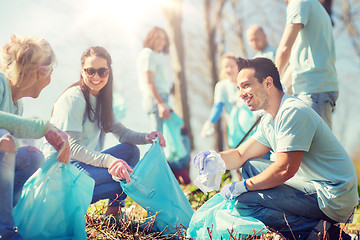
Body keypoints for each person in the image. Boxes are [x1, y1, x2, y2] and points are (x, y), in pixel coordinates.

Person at [193, 57, 358, 240]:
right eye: (238, 88)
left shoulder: (292, 111)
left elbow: (285, 169)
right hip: (312, 186)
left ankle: (325, 233)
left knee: (245, 203)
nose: (240, 94)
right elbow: (240, 154)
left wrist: (243, 186)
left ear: (268, 83)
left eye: (246, 85)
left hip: (332, 194)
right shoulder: (269, 120)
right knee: (250, 166)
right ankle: (312, 227)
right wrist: (214, 158)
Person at [42, 46, 166, 218]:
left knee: (130, 154)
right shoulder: (73, 99)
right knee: (127, 180)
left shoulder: (102, 101)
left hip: (82, 169)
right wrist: (110, 161)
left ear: (109, 72)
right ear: (82, 71)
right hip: (61, 174)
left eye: (102, 71)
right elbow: (73, 148)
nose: (96, 77)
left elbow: (122, 133)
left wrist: (147, 137)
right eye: (90, 71)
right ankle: (69, 206)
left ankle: (113, 215)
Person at [0, 35, 70, 240]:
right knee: (4, 138)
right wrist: (43, 127)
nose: (50, 80)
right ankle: (4, 232)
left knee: (32, 156)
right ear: (42, 72)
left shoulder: (17, 105)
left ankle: (7, 215)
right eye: (51, 73)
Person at [275, 0, 338, 129]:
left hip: (313, 90)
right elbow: (296, 63)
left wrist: (272, 81)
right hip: (316, 88)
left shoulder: (299, 3)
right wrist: (280, 89)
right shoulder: (313, 5)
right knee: (313, 147)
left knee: (316, 148)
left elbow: (284, 49)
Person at [137, 26, 172, 132]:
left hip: (160, 98)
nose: (162, 41)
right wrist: (160, 103)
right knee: (157, 136)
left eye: (164, 39)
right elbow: (149, 82)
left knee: (162, 136)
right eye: (158, 38)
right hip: (155, 99)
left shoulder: (154, 56)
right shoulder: (148, 54)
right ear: (151, 38)